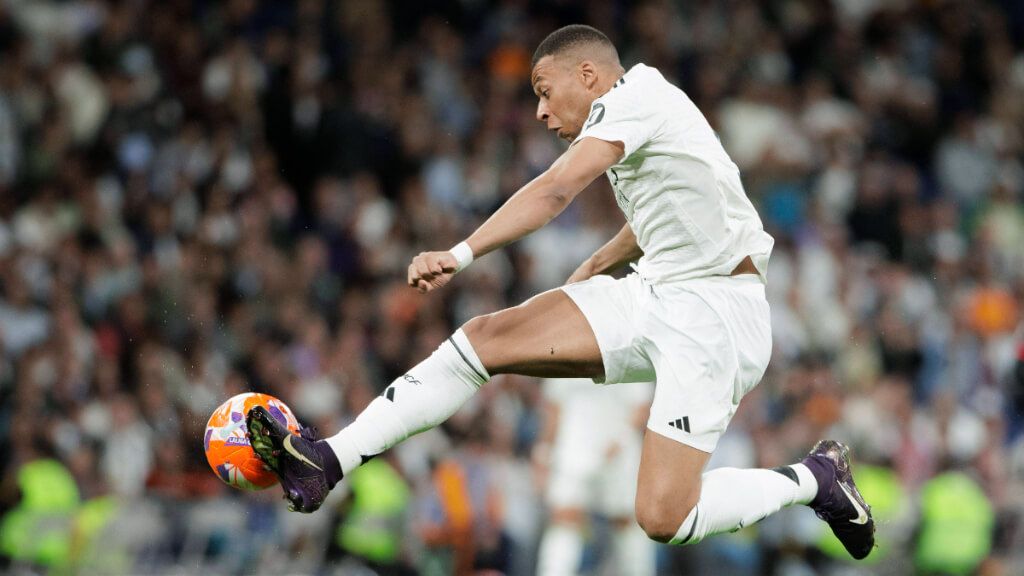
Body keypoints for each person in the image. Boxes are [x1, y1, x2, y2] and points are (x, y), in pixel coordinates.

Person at [245, 24, 875, 559]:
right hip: (657, 292)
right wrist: (599, 261)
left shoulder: (638, 97)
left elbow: (553, 190)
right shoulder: (642, 114)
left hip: (717, 315)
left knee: (663, 518)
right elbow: (670, 211)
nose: (541, 112)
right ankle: (329, 459)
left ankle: (814, 477)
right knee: (485, 339)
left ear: (588, 75)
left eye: (545, 92)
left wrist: (459, 254)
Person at [534, 378, 655, 575]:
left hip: (619, 454)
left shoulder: (630, 358)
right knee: (564, 518)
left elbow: (642, 405)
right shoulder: (563, 359)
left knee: (625, 522)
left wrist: (621, 439)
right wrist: (544, 450)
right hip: (572, 453)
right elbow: (554, 407)